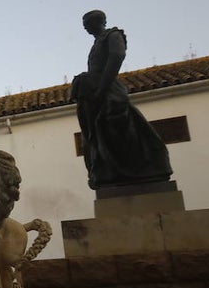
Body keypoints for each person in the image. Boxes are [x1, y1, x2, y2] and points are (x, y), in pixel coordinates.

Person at [70, 10, 172, 190]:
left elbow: (117, 57)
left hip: (108, 91)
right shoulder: (96, 43)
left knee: (118, 131)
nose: (85, 27)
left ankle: (138, 169)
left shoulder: (113, 35)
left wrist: (102, 88)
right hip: (94, 92)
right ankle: (110, 172)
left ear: (99, 21)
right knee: (98, 136)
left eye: (87, 23)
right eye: (84, 24)